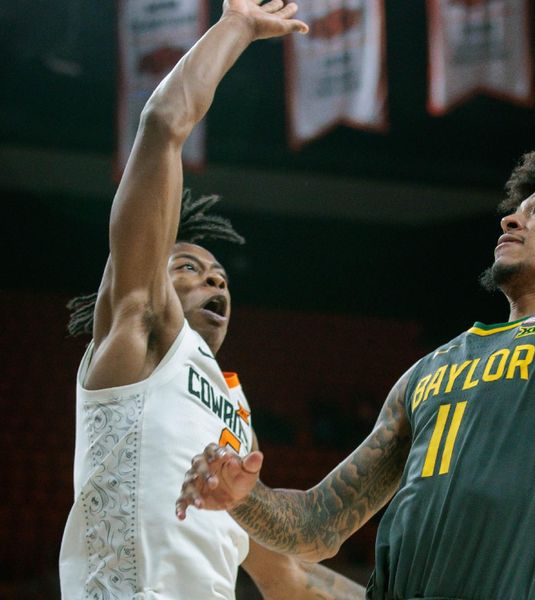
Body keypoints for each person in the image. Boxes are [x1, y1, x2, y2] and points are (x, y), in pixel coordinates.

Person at [176, 1, 535, 598]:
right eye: (515, 208)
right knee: (280, 569)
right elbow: (316, 525)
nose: (511, 217)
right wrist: (243, 498)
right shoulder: (427, 372)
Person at [58, 1, 366, 598]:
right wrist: (238, 27)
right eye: (190, 267)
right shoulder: (137, 337)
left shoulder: (235, 425)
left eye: (221, 274)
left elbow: (286, 578)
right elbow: (162, 126)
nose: (216, 281)